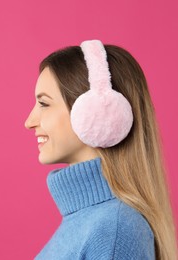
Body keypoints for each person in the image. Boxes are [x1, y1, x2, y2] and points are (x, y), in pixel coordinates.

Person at [24, 39, 177, 260]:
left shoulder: (114, 230)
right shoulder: (90, 223)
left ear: (95, 113)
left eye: (45, 104)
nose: (29, 121)